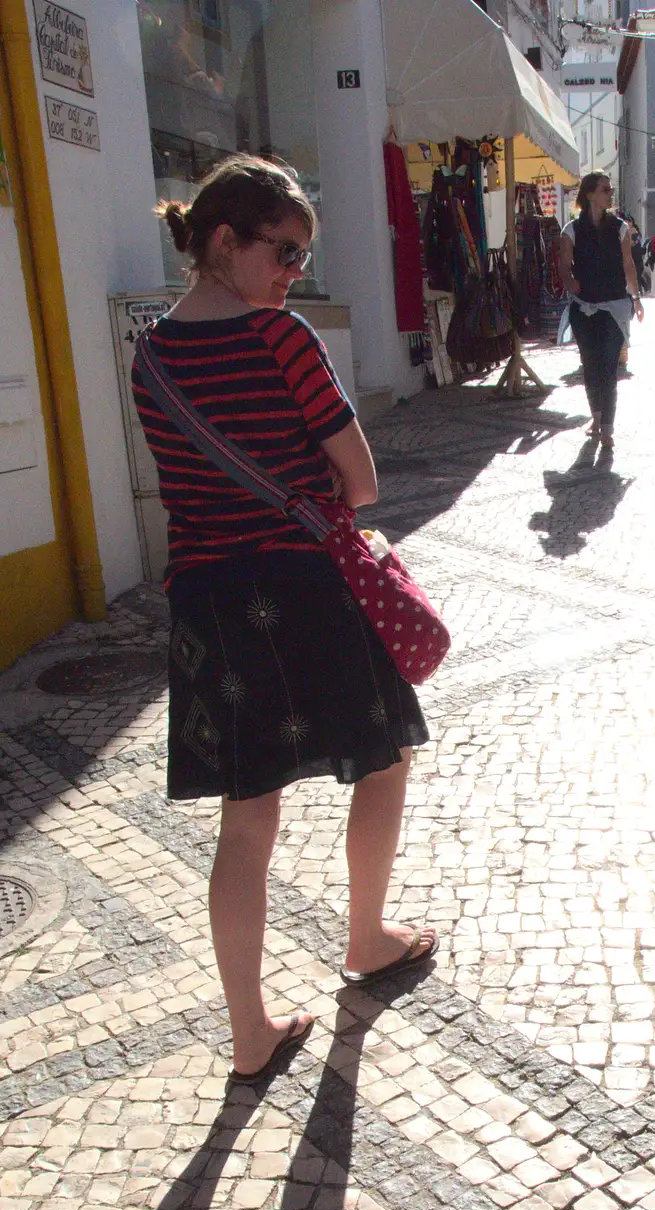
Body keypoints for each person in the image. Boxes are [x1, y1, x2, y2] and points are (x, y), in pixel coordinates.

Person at [131, 155, 437, 1083]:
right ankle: (367, 933)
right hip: (303, 587)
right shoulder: (283, 340)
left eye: (302, 258)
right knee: (382, 760)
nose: (294, 274)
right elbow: (362, 482)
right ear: (224, 241)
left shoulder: (149, 355)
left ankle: (248, 1031)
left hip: (211, 601)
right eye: (286, 252)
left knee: (245, 820)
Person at [559, 171, 645, 459]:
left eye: (610, 189)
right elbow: (563, 265)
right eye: (605, 190)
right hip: (583, 307)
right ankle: (596, 416)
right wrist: (569, 281)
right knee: (590, 364)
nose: (610, 194)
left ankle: (606, 427)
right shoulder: (571, 230)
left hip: (614, 305)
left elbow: (628, 265)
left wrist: (636, 297)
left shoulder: (620, 228)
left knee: (609, 367)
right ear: (590, 194)